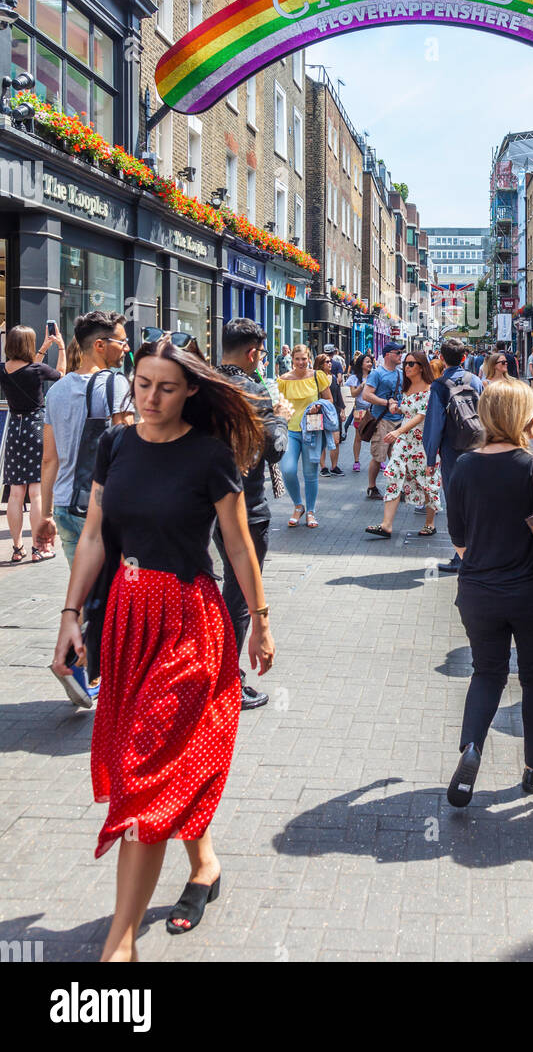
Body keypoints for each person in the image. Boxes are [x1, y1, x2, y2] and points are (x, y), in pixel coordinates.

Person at [50, 337, 273, 961]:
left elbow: (237, 547)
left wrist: (259, 619)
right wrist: (70, 614)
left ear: (192, 391)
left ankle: (119, 946)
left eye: (166, 387)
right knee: (163, 761)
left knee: (146, 768)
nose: (149, 398)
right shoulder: (115, 444)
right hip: (125, 618)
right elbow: (94, 536)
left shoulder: (209, 456)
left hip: (186, 621)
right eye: (142, 384)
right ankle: (204, 864)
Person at [444, 379, 533, 806]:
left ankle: (471, 749)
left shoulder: (463, 466)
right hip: (532, 594)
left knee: (487, 673)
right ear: (522, 417)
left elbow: (458, 538)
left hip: (478, 591)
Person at [38, 312, 133, 709]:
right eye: (121, 342)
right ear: (99, 344)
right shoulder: (115, 384)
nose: (126, 348)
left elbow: (49, 459)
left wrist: (44, 514)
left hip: (64, 505)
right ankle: (79, 663)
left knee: (86, 591)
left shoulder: (57, 390)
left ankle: (81, 665)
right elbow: (124, 452)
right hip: (101, 508)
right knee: (114, 596)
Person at [216, 318, 290, 709]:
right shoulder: (254, 391)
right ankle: (229, 679)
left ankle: (213, 670)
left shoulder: (204, 385)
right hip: (247, 504)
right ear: (252, 352)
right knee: (241, 591)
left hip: (205, 504)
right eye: (259, 352)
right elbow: (275, 450)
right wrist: (278, 415)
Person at [1, 324, 66, 564]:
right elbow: (62, 374)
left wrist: (41, 350)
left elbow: (24, 369)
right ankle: (39, 548)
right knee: (36, 491)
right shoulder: (38, 370)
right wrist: (60, 347)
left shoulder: (3, 370)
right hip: (36, 429)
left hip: (15, 431)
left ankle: (17, 549)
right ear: (28, 345)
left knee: (15, 493)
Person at [422, 337, 483, 574]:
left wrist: (430, 458)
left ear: (440, 357)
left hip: (452, 451)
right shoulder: (475, 380)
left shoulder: (439, 386)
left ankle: (461, 557)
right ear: (465, 357)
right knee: (474, 502)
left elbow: (434, 424)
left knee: (455, 504)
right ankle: (477, 553)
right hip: (477, 447)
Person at [365, 350, 441, 539]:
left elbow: (421, 415)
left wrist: (398, 431)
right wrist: (396, 407)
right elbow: (408, 412)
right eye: (405, 363)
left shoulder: (432, 389)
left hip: (424, 444)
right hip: (405, 442)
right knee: (393, 475)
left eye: (411, 364)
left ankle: (430, 523)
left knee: (427, 482)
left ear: (422, 367)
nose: (406, 367)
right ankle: (386, 525)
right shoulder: (406, 389)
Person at [277, 344, 331, 528]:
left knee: (310, 474)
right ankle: (298, 505)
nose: (301, 362)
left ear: (309, 358)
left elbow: (329, 399)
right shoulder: (283, 380)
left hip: (312, 430)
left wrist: (319, 406)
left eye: (304, 358)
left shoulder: (317, 376)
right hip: (290, 431)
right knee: (288, 470)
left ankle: (311, 511)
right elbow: (278, 406)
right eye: (297, 359)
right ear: (292, 359)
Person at [360, 342, 405, 500]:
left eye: (401, 353)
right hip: (382, 420)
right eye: (397, 353)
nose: (400, 355)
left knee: (398, 457)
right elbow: (366, 395)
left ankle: (397, 489)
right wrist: (386, 403)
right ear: (387, 355)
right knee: (378, 457)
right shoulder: (377, 373)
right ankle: (372, 487)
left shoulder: (400, 373)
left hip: (399, 421)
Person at [315, 353, 345, 476]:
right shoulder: (314, 378)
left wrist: (342, 409)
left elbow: (338, 395)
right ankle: (323, 467)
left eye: (330, 361)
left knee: (336, 440)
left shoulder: (333, 378)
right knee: (321, 441)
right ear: (320, 364)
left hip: (333, 413)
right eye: (327, 362)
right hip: (319, 413)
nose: (330, 363)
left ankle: (334, 466)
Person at [347, 353, 374, 471]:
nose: (370, 364)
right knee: (358, 437)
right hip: (360, 411)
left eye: (371, 361)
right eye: (367, 361)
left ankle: (378, 460)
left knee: (376, 437)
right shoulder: (354, 378)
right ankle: (356, 461)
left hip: (374, 410)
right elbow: (353, 394)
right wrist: (362, 386)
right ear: (361, 364)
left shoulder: (375, 376)